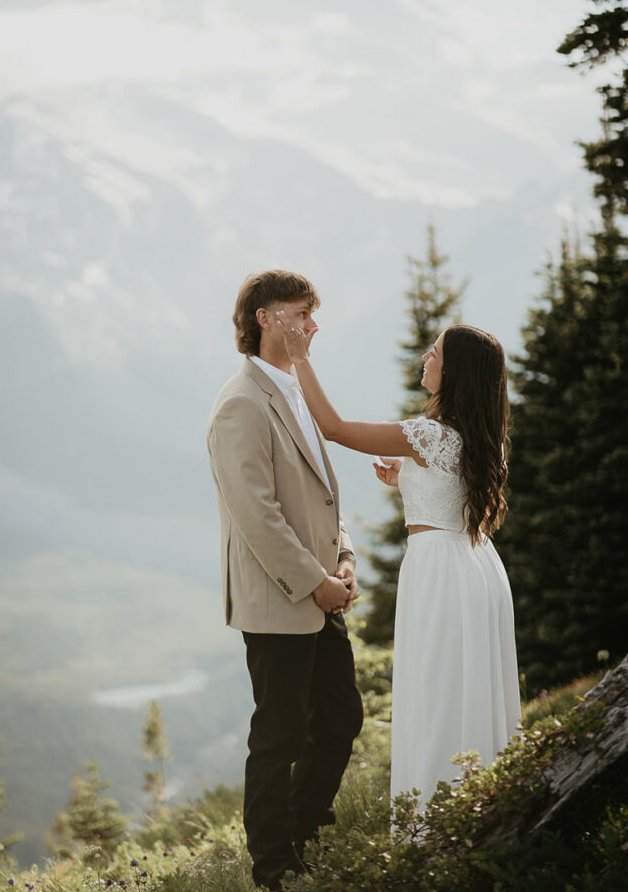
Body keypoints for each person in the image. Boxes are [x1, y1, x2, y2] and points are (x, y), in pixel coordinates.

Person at [275, 316, 521, 809]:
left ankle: (433, 819)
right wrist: (407, 480)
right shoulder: (479, 433)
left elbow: (335, 428)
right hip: (475, 565)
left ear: (454, 373)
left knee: (436, 689)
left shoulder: (428, 433)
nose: (426, 358)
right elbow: (453, 494)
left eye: (435, 353)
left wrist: (299, 356)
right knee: (465, 686)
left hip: (439, 572)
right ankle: (477, 805)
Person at [206, 270, 363, 891]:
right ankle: (273, 867)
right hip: (279, 598)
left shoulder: (294, 389)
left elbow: (324, 499)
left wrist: (344, 557)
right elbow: (256, 513)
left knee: (342, 716)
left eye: (313, 314)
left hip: (324, 590)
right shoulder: (240, 402)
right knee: (279, 734)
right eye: (302, 314)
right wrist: (315, 582)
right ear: (265, 317)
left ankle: (304, 837)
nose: (312, 326)